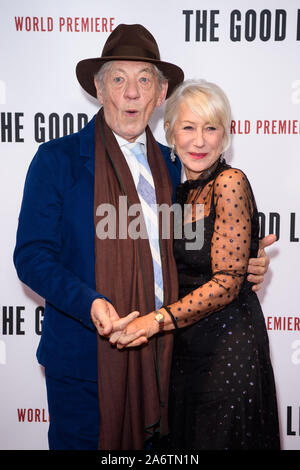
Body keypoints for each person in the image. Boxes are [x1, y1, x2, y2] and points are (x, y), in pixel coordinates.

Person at [13, 24, 273, 450]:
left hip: (165, 365)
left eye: (144, 80)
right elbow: (33, 256)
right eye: (118, 79)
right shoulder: (57, 160)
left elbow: (204, 252)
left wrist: (245, 265)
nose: (131, 93)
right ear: (99, 89)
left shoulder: (177, 169)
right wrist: (90, 302)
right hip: (85, 368)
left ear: (161, 92)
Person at [112, 79, 280, 450]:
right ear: (169, 131)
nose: (199, 141)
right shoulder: (172, 188)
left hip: (228, 351)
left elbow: (226, 282)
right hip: (181, 353)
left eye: (211, 128)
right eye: (188, 127)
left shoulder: (229, 182)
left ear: (225, 135)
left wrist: (154, 322)